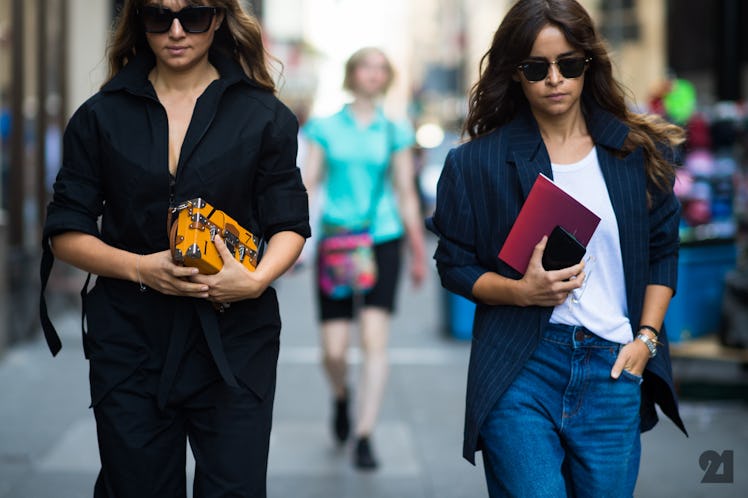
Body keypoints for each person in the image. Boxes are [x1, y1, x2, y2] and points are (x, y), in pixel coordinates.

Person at [39, 1, 310, 496]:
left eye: (195, 15)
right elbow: (66, 231)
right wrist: (142, 268)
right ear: (139, 23)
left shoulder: (263, 115)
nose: (177, 30)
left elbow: (289, 222)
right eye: (159, 16)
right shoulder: (100, 117)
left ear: (220, 18)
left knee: (235, 489)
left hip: (235, 339)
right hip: (129, 338)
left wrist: (255, 280)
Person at [426, 0, 687, 495]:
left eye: (569, 64)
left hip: (614, 366)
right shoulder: (476, 165)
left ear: (588, 64)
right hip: (521, 367)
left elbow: (662, 251)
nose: (555, 79)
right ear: (516, 74)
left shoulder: (634, 152)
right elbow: (453, 264)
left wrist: (646, 340)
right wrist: (520, 291)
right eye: (535, 67)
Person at [301, 47, 426, 470]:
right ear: (352, 73)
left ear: (386, 77)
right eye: (365, 66)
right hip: (338, 243)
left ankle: (365, 433)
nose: (373, 74)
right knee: (333, 350)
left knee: (374, 341)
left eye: (380, 68)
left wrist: (417, 250)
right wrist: (296, 238)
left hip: (382, 240)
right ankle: (341, 396)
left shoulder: (395, 130)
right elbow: (310, 184)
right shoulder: (324, 127)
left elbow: (407, 192)